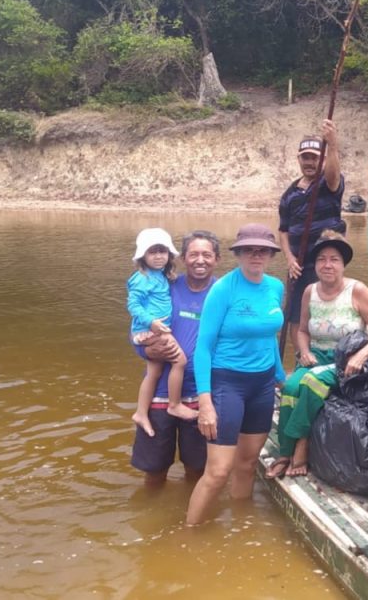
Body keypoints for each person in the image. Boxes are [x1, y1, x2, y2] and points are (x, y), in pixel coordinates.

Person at [186, 223, 287, 525]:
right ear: (238, 254)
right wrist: (205, 403)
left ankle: (240, 526)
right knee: (218, 471)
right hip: (227, 383)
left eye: (263, 251)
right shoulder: (223, 290)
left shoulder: (275, 287)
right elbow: (203, 348)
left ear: (271, 254)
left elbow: (268, 336)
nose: (256, 255)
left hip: (263, 384)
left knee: (247, 464)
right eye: (249, 250)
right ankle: (189, 533)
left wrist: (280, 376)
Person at [267, 230, 368, 479]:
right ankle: (285, 453)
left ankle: (301, 444)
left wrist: (361, 356)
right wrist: (304, 351)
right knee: (290, 387)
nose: (327, 265)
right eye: (321, 259)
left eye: (334, 259)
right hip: (316, 356)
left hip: (346, 360)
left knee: (311, 382)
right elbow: (302, 330)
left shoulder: (357, 290)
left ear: (343, 264)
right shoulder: (309, 291)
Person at [130, 230, 221, 486]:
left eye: (207, 255)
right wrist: (146, 351)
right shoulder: (164, 285)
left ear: (217, 259)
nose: (200, 260)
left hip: (201, 397)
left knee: (198, 470)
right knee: (154, 471)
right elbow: (137, 330)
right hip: (159, 395)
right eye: (193, 254)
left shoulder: (223, 292)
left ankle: (191, 508)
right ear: (182, 258)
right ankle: (152, 511)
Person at [278, 120, 346, 339]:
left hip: (325, 263)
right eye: (305, 157)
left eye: (315, 158)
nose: (309, 162)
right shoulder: (289, 194)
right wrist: (290, 259)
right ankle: (301, 356)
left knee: (328, 312)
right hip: (299, 267)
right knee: (296, 317)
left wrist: (332, 144)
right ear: (298, 159)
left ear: (323, 160)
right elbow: (283, 230)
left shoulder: (328, 184)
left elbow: (334, 177)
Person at [128, 228, 199, 437]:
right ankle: (174, 404)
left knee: (154, 372)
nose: (159, 256)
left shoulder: (161, 276)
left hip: (156, 326)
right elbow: (133, 305)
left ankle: (141, 412)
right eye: (153, 252)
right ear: (143, 255)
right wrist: (150, 324)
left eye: (163, 251)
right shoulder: (142, 278)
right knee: (180, 361)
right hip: (155, 328)